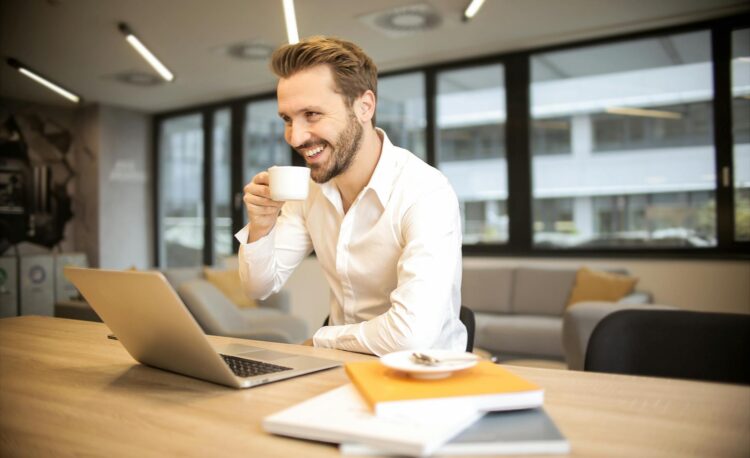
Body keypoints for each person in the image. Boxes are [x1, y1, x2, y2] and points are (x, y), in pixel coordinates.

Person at [236, 36, 466, 356]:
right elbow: (258, 287)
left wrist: (322, 338)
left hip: (422, 375)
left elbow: (411, 335)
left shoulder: (426, 192)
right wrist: (261, 226)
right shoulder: (311, 192)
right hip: (341, 368)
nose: (296, 137)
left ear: (364, 106)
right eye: (288, 119)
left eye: (312, 114)